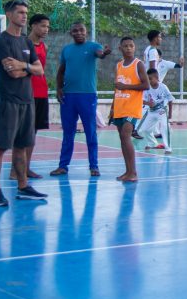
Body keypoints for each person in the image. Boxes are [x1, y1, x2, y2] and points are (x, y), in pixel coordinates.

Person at [0, 0, 47, 207]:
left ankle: (23, 187)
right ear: (9, 14)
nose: (24, 16)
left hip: (27, 100)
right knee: (1, 146)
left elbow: (39, 70)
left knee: (22, 145)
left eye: (25, 13)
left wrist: (24, 65)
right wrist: (27, 68)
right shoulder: (1, 41)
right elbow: (12, 73)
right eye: (20, 12)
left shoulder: (27, 42)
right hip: (8, 101)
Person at [51, 22, 110, 177]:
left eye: (81, 30)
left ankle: (94, 166)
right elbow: (61, 72)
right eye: (75, 31)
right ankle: (63, 166)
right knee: (68, 133)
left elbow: (100, 54)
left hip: (87, 96)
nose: (78, 33)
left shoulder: (93, 47)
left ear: (86, 32)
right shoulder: (67, 50)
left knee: (90, 132)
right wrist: (58, 88)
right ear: (71, 33)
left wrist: (105, 53)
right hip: (68, 96)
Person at [111, 36, 148, 182]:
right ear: (120, 48)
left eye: (131, 46)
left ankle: (133, 172)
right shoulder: (119, 65)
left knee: (126, 136)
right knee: (122, 138)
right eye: (125, 46)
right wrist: (112, 108)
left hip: (132, 107)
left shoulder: (138, 64)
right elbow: (117, 89)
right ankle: (127, 171)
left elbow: (146, 85)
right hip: (120, 106)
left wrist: (126, 86)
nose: (128, 48)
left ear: (135, 47)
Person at [22, 13, 50, 180]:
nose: (46, 29)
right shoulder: (23, 44)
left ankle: (26, 168)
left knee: (33, 132)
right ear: (33, 25)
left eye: (47, 27)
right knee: (24, 132)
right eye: (42, 26)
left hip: (41, 93)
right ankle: (16, 169)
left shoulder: (44, 46)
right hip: (27, 93)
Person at [138, 68, 174, 153]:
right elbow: (142, 100)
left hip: (162, 111)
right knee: (144, 129)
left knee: (164, 128)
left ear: (157, 78)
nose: (149, 81)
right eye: (147, 79)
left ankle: (168, 148)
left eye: (150, 79)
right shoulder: (147, 88)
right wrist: (148, 103)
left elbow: (170, 99)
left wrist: (170, 113)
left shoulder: (163, 87)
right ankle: (152, 143)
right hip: (151, 111)